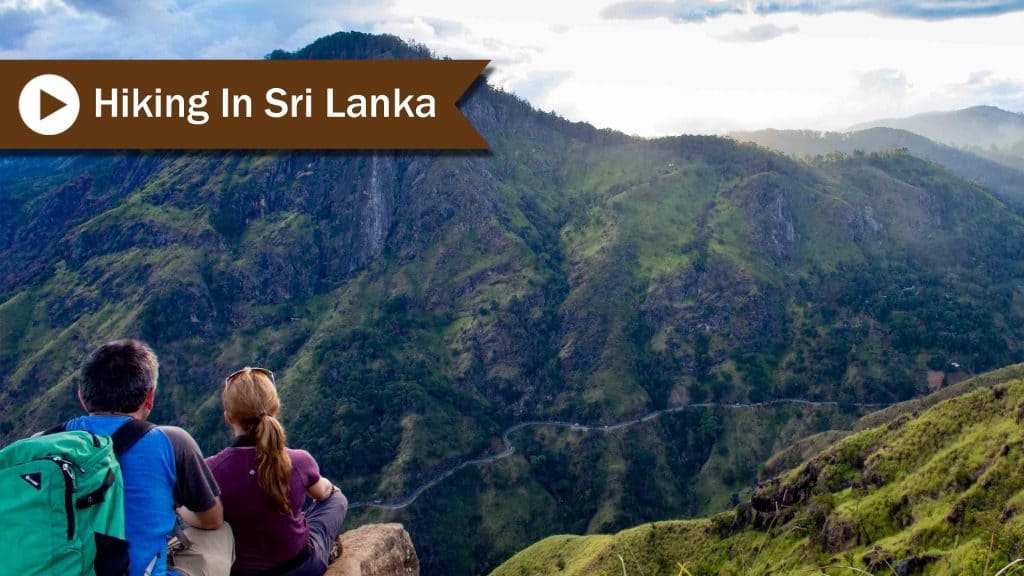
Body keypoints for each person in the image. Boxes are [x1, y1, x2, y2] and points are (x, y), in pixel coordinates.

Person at [66, 339, 233, 576]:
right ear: (149, 397)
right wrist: (177, 508)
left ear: (82, 397)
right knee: (220, 532)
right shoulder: (172, 442)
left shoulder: (37, 445)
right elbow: (212, 518)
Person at [206, 367, 348, 576]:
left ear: (229, 417)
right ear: (276, 408)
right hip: (301, 569)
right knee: (337, 499)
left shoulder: (211, 470)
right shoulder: (298, 461)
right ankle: (326, 549)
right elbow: (324, 493)